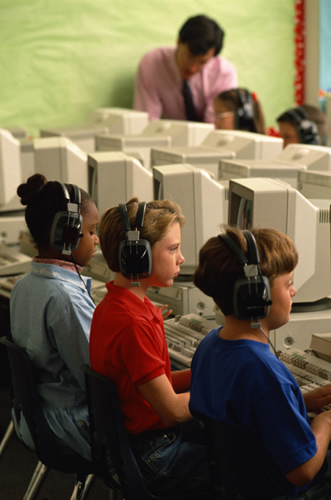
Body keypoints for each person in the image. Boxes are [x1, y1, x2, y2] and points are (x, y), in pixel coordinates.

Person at [189, 225, 331, 499]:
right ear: (255, 294)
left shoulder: (210, 345)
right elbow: (301, 471)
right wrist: (325, 421)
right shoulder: (264, 371)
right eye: (288, 283)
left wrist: (299, 401)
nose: (294, 292)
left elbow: (245, 417)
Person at [89, 197, 215, 498]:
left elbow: (153, 384)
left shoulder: (118, 307)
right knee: (256, 463)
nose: (181, 258)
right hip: (155, 456)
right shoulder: (133, 323)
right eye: (173, 249)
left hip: (135, 449)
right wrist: (227, 395)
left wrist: (206, 374)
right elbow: (171, 410)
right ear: (137, 256)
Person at [10, 173, 99, 461]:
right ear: (67, 235)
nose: (97, 240)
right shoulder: (65, 300)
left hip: (37, 418)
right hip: (74, 426)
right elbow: (98, 379)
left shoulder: (23, 286)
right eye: (92, 231)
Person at [133, 14, 238, 123]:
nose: (193, 68)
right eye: (189, 57)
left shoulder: (224, 73)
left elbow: (218, 125)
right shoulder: (152, 64)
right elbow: (147, 121)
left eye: (202, 62)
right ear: (179, 42)